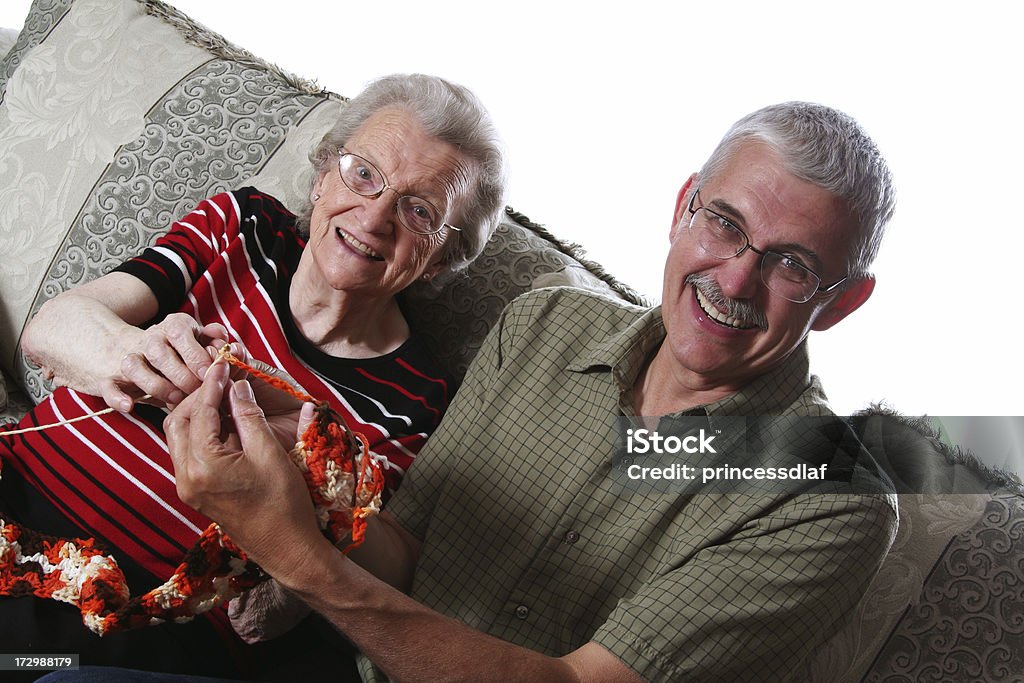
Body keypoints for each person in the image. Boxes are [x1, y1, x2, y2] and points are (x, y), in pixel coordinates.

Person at [49, 101, 898, 683]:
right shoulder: (543, 328)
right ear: (684, 207)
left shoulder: (834, 491)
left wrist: (288, 548)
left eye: (794, 265)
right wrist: (298, 443)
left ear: (845, 302)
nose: (736, 278)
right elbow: (409, 550)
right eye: (725, 222)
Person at [0, 73, 506, 678]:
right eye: (363, 173)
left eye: (417, 210)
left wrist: (311, 458)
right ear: (322, 177)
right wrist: (139, 353)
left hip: (138, 614)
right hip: (16, 491)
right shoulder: (244, 228)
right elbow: (52, 330)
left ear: (441, 260)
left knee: (22, 657)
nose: (373, 218)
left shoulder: (419, 401)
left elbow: (372, 563)